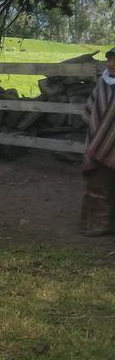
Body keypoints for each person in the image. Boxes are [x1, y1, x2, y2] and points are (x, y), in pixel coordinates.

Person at [80, 47, 115, 236]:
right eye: (109, 60)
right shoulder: (103, 82)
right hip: (99, 143)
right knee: (98, 183)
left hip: (107, 142)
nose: (111, 64)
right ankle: (95, 225)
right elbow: (91, 110)